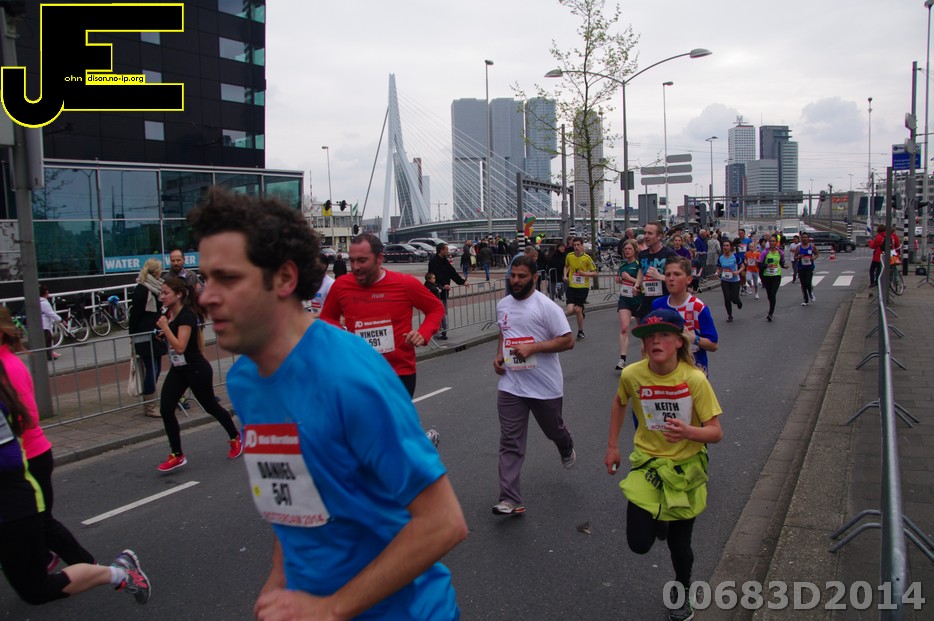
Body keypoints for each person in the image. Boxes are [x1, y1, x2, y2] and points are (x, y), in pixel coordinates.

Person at [190, 188, 467, 619]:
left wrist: (332, 608)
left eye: (227, 278)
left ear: (284, 279)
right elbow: (291, 495)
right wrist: (278, 582)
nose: (205, 296)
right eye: (205, 278)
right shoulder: (245, 380)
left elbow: (443, 523)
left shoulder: (350, 378)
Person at [0, 317, 151, 606]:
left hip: (25, 472)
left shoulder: (8, 366)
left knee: (42, 542)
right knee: (40, 535)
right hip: (19, 484)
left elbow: (26, 421)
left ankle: (105, 571)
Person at [604, 308, 723, 621]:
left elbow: (715, 432)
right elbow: (619, 401)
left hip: (685, 469)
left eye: (664, 335)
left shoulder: (694, 380)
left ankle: (683, 590)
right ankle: (659, 517)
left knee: (679, 545)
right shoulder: (632, 375)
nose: (655, 341)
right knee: (639, 543)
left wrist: (688, 432)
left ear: (679, 342)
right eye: (649, 337)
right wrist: (613, 446)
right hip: (648, 465)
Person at [492, 255, 576, 515]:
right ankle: (510, 499)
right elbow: (504, 332)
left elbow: (568, 341)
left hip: (544, 385)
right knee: (510, 441)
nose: (515, 281)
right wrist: (499, 355)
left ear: (535, 277)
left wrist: (534, 348)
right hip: (511, 385)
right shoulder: (503, 305)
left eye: (522, 276)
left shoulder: (547, 307)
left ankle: (565, 445)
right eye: (513, 276)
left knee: (554, 430)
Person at [322, 233, 445, 397]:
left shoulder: (405, 284)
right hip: (359, 372)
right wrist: (341, 336)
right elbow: (327, 317)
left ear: (379, 258)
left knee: (395, 415)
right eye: (352, 260)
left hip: (398, 374)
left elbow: (436, 308)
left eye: (362, 260)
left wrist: (423, 333)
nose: (355, 267)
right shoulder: (341, 286)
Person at [153, 275, 242, 473]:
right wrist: (163, 334)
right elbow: (174, 340)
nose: (162, 297)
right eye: (161, 293)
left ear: (179, 295)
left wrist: (165, 328)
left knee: (210, 406)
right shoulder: (170, 313)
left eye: (166, 293)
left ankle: (235, 437)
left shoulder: (187, 315)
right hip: (179, 370)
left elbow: (181, 347)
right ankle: (177, 454)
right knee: (166, 409)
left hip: (196, 369)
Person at [653, 256, 719, 377]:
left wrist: (692, 338)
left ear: (688, 279)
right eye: (667, 275)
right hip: (665, 370)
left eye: (677, 274)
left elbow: (713, 345)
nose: (671, 278)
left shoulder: (698, 307)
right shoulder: (657, 305)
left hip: (693, 371)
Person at [127, 260, 165, 417]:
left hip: (156, 333)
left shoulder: (157, 287)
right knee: (152, 369)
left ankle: (151, 402)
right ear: (156, 272)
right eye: (161, 270)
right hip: (145, 335)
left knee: (156, 368)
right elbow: (135, 315)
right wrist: (133, 335)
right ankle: (150, 406)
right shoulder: (142, 289)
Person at [637, 222, 678, 321]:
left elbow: (679, 277)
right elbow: (641, 270)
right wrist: (637, 284)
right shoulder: (642, 254)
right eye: (645, 233)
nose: (646, 236)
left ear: (659, 236)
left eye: (650, 233)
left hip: (665, 302)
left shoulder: (669, 254)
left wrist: (660, 277)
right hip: (646, 301)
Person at [427, 243, 467, 341]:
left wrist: (462, 282)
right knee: (439, 312)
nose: (448, 251)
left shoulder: (445, 261)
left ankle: (442, 331)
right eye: (446, 249)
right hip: (436, 291)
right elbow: (433, 277)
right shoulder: (433, 262)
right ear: (441, 250)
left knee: (442, 312)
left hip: (444, 291)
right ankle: (440, 332)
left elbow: (452, 273)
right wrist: (442, 285)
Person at [615, 239, 643, 371]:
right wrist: (620, 280)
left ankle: (644, 357)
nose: (627, 251)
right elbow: (622, 280)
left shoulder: (638, 265)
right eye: (625, 249)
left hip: (637, 300)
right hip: (624, 299)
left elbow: (642, 283)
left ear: (635, 250)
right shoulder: (622, 266)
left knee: (641, 330)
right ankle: (622, 359)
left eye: (629, 249)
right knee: (624, 328)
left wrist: (629, 278)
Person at [563, 237, 597, 341]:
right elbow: (566, 266)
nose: (576, 247)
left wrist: (584, 273)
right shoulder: (569, 256)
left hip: (583, 288)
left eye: (578, 245)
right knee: (570, 311)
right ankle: (581, 312)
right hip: (571, 287)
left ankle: (580, 331)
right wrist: (565, 275)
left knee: (577, 310)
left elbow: (594, 273)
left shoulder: (587, 258)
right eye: (574, 245)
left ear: (582, 246)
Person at [717, 239, 744, 322]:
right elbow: (718, 268)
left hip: (735, 280)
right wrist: (717, 273)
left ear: (730, 247)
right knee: (727, 298)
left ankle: (738, 301)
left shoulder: (735, 257)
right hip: (725, 280)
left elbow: (742, 266)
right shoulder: (721, 258)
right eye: (724, 246)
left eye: (727, 246)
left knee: (734, 299)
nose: (725, 247)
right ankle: (730, 315)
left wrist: (737, 272)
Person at [760, 235, 786, 322]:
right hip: (767, 276)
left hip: (776, 276)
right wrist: (767, 265)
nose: (772, 243)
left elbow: (782, 263)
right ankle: (771, 309)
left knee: (772, 294)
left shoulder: (780, 253)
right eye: (770, 241)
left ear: (776, 242)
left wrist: (784, 266)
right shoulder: (764, 253)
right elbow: (760, 265)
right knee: (769, 295)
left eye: (773, 241)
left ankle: (770, 313)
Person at [794, 231, 819, 306]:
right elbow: (795, 257)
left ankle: (810, 293)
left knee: (808, 282)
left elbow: (817, 254)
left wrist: (813, 258)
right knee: (803, 284)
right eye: (803, 237)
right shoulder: (798, 247)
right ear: (801, 239)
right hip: (801, 267)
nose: (804, 239)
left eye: (806, 237)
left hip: (809, 267)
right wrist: (799, 257)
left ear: (808, 238)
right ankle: (805, 300)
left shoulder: (812, 246)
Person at [38, 284, 61, 361]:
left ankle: (48, 355)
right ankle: (47, 356)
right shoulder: (44, 303)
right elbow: (51, 313)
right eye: (47, 292)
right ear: (44, 293)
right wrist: (61, 320)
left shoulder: (39, 301)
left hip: (43, 324)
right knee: (47, 340)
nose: (48, 293)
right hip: (44, 325)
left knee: (47, 340)